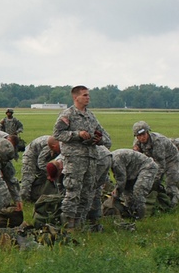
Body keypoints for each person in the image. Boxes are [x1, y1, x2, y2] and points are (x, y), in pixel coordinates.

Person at [52, 85, 111, 230]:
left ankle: (80, 224)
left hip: (91, 158)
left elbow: (106, 138)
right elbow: (57, 134)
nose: (88, 98)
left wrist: (99, 140)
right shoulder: (68, 115)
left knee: (87, 193)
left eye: (88, 95)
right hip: (74, 159)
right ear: (75, 97)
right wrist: (77, 135)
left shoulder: (91, 116)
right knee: (73, 192)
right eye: (84, 95)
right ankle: (68, 226)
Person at [132, 121, 179, 207]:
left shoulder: (157, 142)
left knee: (171, 182)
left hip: (170, 159)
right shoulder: (137, 142)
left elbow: (161, 165)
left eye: (144, 135)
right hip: (154, 158)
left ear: (147, 132)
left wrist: (153, 180)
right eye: (139, 136)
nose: (142, 138)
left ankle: (173, 205)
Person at [110, 148, 159, 220]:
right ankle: (131, 213)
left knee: (138, 191)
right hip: (132, 171)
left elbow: (121, 179)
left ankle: (141, 217)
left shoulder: (115, 160)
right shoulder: (110, 160)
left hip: (147, 167)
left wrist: (117, 192)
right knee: (127, 193)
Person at [20, 135, 59, 203]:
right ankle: (24, 198)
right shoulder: (49, 146)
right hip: (30, 155)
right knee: (28, 177)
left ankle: (39, 193)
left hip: (39, 155)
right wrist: (50, 173)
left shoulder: (59, 144)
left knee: (43, 178)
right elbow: (41, 163)